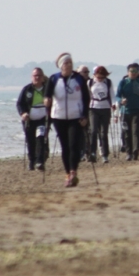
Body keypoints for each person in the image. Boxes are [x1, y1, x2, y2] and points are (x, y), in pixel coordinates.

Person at [45, 53, 89, 188]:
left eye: (70, 62)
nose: (69, 65)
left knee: (74, 144)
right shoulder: (54, 79)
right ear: (61, 66)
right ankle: (67, 174)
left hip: (76, 117)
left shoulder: (79, 79)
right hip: (58, 117)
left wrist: (85, 116)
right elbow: (47, 95)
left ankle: (73, 172)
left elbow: (86, 98)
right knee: (65, 146)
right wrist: (47, 101)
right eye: (66, 63)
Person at [116, 63, 139, 161]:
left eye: (136, 71)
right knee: (127, 133)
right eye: (132, 71)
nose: (134, 73)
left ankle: (136, 150)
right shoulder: (123, 82)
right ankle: (129, 153)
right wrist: (121, 101)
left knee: (136, 131)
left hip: (137, 112)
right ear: (128, 72)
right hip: (125, 112)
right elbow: (117, 96)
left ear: (138, 72)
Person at [16, 67, 48, 171]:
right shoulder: (27, 89)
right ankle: (31, 161)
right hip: (29, 120)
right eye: (35, 76)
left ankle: (40, 161)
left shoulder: (47, 89)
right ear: (32, 77)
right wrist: (23, 113)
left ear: (42, 77)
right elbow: (19, 103)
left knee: (40, 138)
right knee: (30, 141)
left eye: (39, 75)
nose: (37, 77)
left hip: (42, 119)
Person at [88, 66, 116, 163]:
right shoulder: (90, 82)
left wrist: (114, 104)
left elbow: (112, 95)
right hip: (93, 109)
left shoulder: (108, 82)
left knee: (104, 133)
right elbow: (87, 96)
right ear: (94, 75)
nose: (100, 79)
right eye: (98, 77)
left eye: (102, 77)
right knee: (93, 131)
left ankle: (105, 155)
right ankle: (92, 153)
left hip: (105, 109)